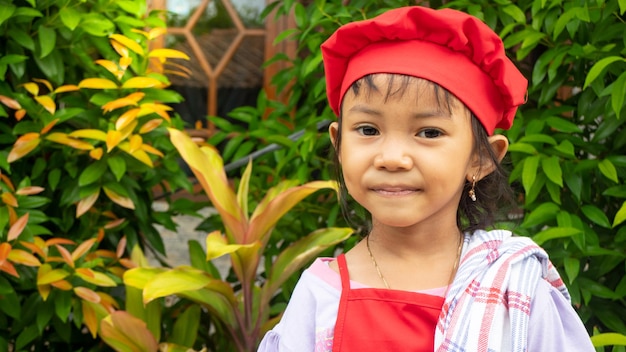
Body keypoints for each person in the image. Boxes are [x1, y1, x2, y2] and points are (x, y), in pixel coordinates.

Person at [258, 5, 595, 352]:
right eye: (368, 129)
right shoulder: (321, 294)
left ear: (481, 158)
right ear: (339, 144)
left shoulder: (516, 290)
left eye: (429, 132)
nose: (391, 158)